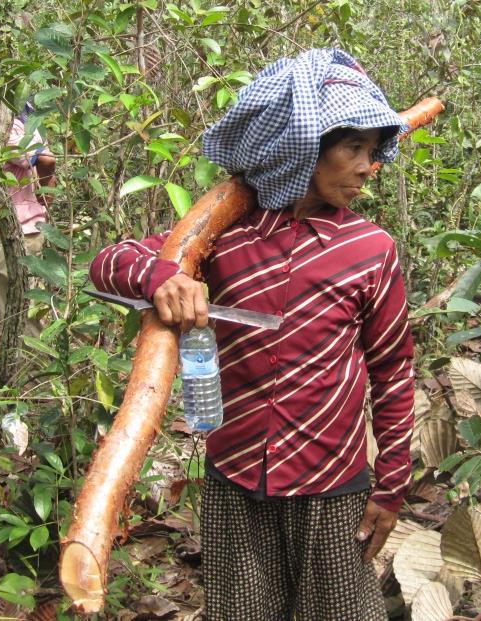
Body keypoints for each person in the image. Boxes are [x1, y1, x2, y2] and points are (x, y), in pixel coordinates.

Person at [89, 49, 415, 620]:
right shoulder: (222, 237)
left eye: (373, 151)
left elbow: (392, 372)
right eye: (353, 148)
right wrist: (164, 278)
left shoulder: (370, 249)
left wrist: (390, 487)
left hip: (332, 481)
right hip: (235, 476)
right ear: (303, 146)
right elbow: (109, 263)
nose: (369, 167)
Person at [0, 92, 56, 337]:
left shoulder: (11, 132)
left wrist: (45, 191)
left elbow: (47, 159)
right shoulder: (18, 127)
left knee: (8, 281)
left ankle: (32, 348)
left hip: (23, 226)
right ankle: (17, 329)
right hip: (6, 223)